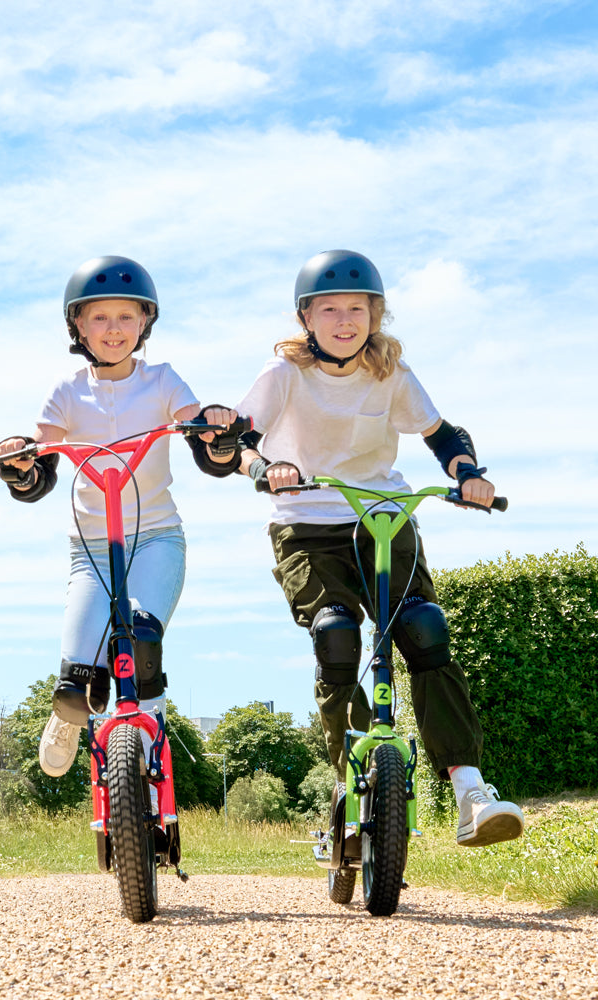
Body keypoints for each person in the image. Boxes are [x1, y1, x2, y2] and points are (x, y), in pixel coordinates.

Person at [233, 249, 523, 847]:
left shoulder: (390, 370)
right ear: (306, 317)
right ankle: (358, 779)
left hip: (383, 517)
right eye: (330, 309)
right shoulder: (283, 373)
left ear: (376, 315)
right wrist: (265, 467)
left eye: (358, 309)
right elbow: (236, 441)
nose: (345, 320)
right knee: (336, 635)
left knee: (424, 629)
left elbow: (442, 434)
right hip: (307, 523)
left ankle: (470, 788)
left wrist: (466, 472)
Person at [0, 256, 239, 777]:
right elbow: (41, 470)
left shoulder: (164, 381)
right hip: (93, 550)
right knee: (76, 680)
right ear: (77, 325)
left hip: (155, 539)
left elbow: (205, 446)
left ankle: (148, 751)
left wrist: (216, 433)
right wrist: (19, 462)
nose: (113, 329)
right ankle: (68, 716)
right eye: (99, 318)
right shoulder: (66, 393)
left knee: (141, 637)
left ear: (145, 322)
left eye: (126, 317)